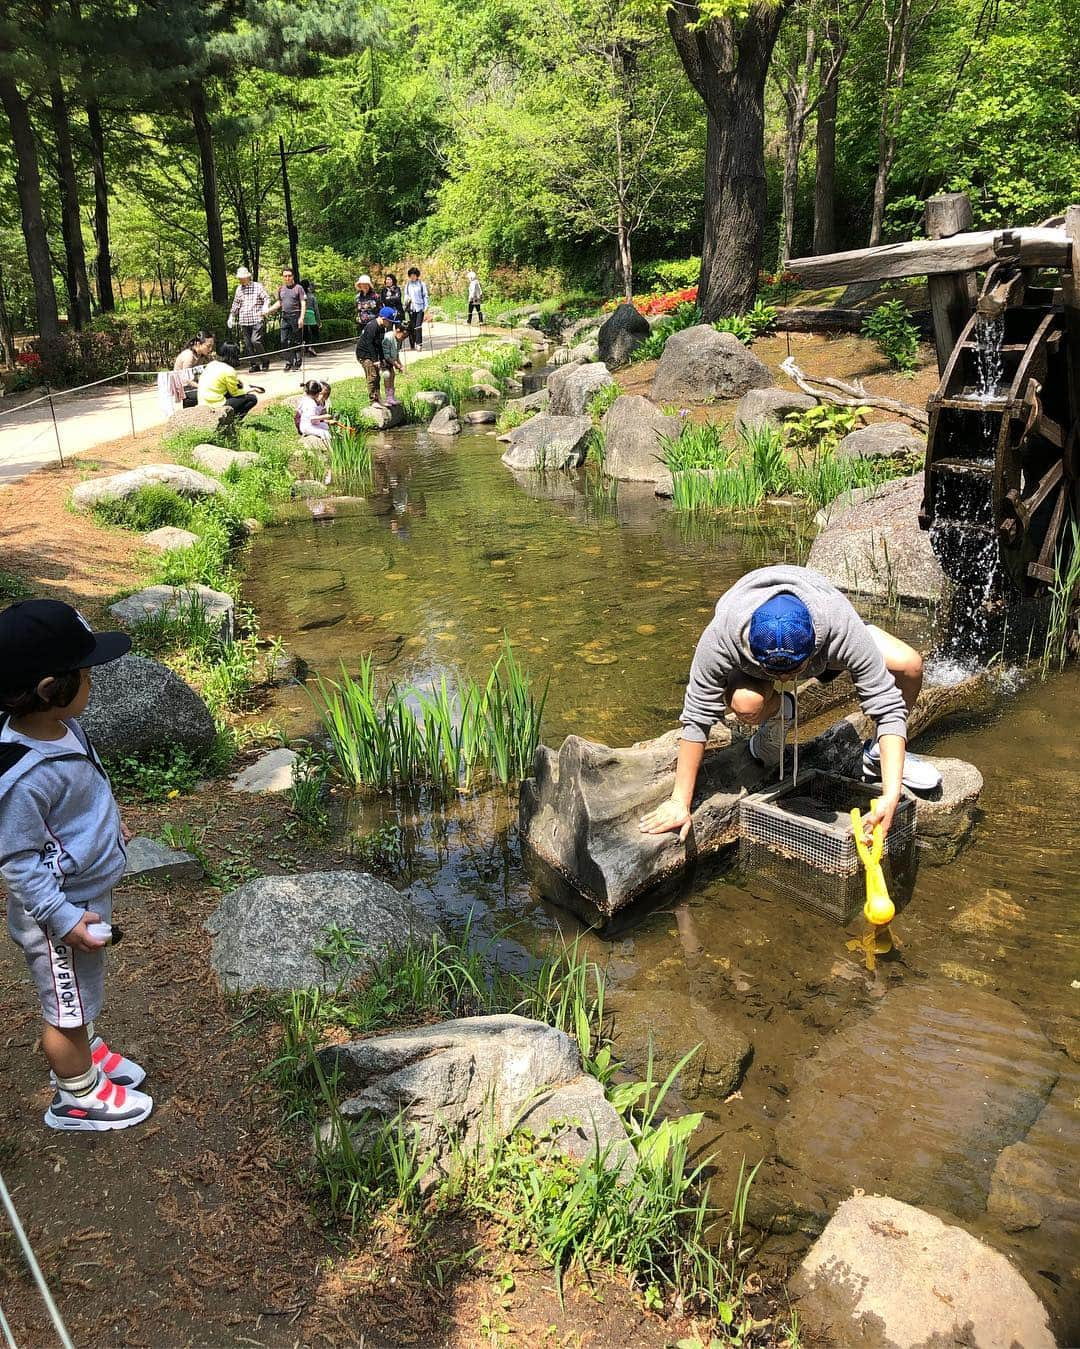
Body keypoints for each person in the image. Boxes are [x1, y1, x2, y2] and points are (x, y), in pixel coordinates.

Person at [638, 565, 942, 845]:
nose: (785, 677)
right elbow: (696, 716)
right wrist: (680, 801)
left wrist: (889, 795)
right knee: (747, 703)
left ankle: (876, 754)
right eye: (776, 672)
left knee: (909, 665)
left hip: (824, 627)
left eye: (792, 671)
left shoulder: (840, 628)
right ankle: (779, 711)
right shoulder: (723, 635)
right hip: (756, 647)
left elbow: (887, 707)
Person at [0, 598, 154, 1131]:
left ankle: (86, 1049)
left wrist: (111, 824)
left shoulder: (60, 727)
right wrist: (63, 920)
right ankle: (75, 1095)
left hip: (84, 890)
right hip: (56, 913)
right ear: (50, 688)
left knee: (84, 994)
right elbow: (17, 861)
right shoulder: (21, 776)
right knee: (66, 1007)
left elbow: (83, 794)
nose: (93, 683)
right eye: (85, 675)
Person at [197, 342, 259, 419]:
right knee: (252, 398)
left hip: (203, 402)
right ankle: (235, 420)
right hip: (215, 403)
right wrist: (248, 390)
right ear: (234, 354)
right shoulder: (229, 370)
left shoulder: (211, 364)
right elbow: (235, 393)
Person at [227, 266, 270, 371]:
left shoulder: (257, 286)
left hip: (256, 319)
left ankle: (265, 360)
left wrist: (265, 307)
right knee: (248, 344)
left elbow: (266, 298)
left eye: (242, 277)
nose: (240, 279)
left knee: (255, 341)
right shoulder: (239, 289)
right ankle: (254, 364)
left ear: (247, 277)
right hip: (244, 320)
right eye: (239, 278)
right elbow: (236, 304)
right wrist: (231, 316)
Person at [265, 266, 307, 373]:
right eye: (285, 276)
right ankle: (289, 361)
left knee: (296, 341)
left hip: (296, 316)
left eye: (289, 276)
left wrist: (301, 318)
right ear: (283, 277)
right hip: (285, 317)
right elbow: (279, 303)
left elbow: (303, 303)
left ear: (293, 276)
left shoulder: (299, 288)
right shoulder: (281, 289)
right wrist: (268, 311)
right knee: (284, 341)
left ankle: (297, 363)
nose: (287, 278)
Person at [355, 307, 396, 405]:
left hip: (372, 354)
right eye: (389, 321)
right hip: (364, 354)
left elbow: (379, 344)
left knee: (377, 376)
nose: (390, 324)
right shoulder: (372, 326)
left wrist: (382, 359)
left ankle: (378, 398)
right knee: (372, 376)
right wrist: (375, 360)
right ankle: (373, 400)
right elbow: (369, 344)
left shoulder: (382, 328)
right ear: (383, 318)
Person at [172, 331, 215, 406]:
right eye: (208, 346)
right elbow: (186, 379)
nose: (210, 349)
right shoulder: (189, 356)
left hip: (194, 384)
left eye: (212, 346)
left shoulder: (201, 355)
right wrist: (201, 386)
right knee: (209, 394)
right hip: (184, 387)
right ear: (198, 344)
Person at [295, 379, 336, 446]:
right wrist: (325, 417)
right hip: (307, 426)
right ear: (316, 393)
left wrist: (326, 421)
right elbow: (312, 418)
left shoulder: (311, 400)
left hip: (313, 423)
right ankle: (327, 446)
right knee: (325, 433)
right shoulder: (310, 403)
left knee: (326, 426)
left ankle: (331, 439)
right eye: (320, 394)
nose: (321, 397)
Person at [381, 320, 408, 404]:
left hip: (391, 360)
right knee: (387, 375)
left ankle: (391, 396)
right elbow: (386, 355)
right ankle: (388, 397)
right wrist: (396, 365)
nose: (403, 339)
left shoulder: (398, 340)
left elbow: (396, 354)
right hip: (383, 359)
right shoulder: (388, 338)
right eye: (403, 336)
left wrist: (401, 364)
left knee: (392, 375)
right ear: (398, 330)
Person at [403, 266, 429, 350]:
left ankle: (419, 344)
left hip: (420, 307)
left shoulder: (421, 284)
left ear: (417, 275)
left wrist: (426, 306)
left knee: (418, 326)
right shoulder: (407, 285)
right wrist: (406, 301)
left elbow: (425, 295)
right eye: (411, 275)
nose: (412, 276)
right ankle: (412, 342)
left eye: (414, 275)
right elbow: (406, 295)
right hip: (411, 308)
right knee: (412, 326)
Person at [301, 279, 321, 355]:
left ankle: (306, 347)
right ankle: (311, 347)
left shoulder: (300, 295)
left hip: (302, 316)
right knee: (315, 333)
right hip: (311, 316)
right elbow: (316, 309)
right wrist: (318, 321)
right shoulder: (312, 296)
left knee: (305, 333)